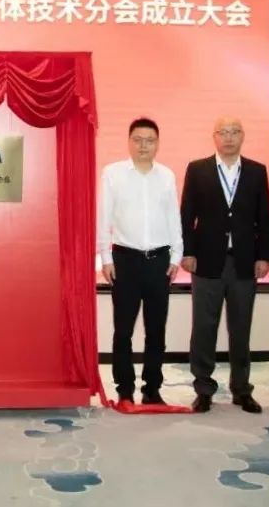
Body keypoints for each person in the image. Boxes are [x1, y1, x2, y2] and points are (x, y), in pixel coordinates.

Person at [181, 118, 269, 414]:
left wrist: (264, 256)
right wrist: (188, 252)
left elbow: (265, 218)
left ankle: (241, 389)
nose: (229, 138)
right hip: (207, 261)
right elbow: (187, 215)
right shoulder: (198, 169)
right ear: (214, 137)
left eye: (234, 132)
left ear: (242, 136)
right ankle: (203, 389)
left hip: (244, 263)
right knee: (204, 327)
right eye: (223, 132)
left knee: (241, 328)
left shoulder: (257, 171)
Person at [98, 117, 182, 405]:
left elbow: (173, 218)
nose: (143, 145)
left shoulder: (166, 176)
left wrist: (177, 255)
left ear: (157, 143)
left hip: (159, 261)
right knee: (123, 330)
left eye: (150, 140)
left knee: (156, 330)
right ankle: (124, 389)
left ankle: (152, 389)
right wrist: (105, 257)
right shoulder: (113, 173)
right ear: (129, 141)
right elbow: (104, 218)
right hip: (125, 260)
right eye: (138, 139)